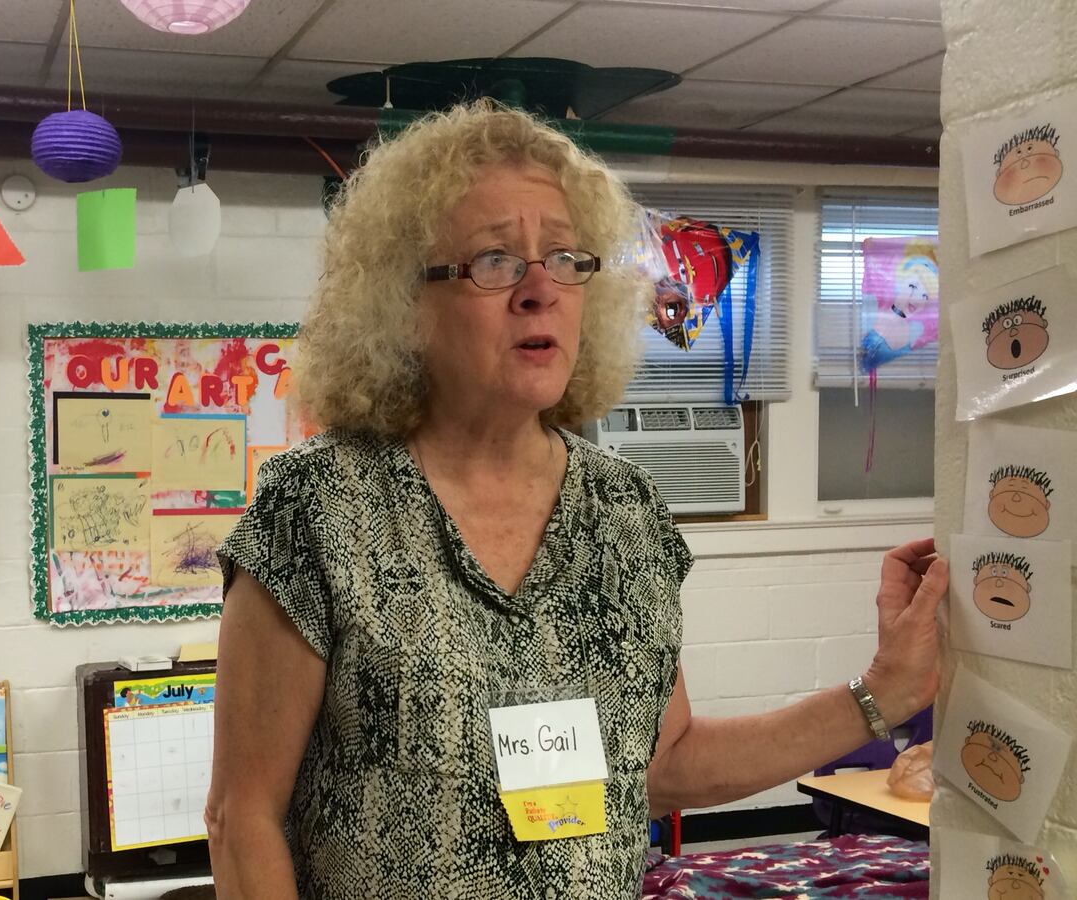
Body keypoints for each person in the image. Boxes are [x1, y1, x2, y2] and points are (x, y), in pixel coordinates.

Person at [205, 100, 946, 899]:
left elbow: (666, 765)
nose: (539, 290)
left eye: (564, 257)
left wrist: (882, 694)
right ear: (404, 305)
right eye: (493, 260)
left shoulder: (624, 510)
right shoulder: (319, 506)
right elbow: (242, 815)